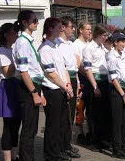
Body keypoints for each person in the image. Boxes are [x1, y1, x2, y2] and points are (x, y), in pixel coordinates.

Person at [38, 17, 74, 161]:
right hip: (52, 89)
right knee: (53, 124)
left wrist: (68, 84)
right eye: (59, 27)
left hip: (60, 88)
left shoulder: (55, 46)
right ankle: (51, 154)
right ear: (51, 29)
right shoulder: (45, 48)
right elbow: (50, 73)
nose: (62, 29)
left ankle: (59, 149)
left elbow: (63, 68)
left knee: (61, 123)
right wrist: (64, 86)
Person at [12, 10, 45, 161]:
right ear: (25, 23)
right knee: (29, 128)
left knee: (32, 128)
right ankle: (26, 158)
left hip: (34, 86)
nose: (37, 23)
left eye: (37, 20)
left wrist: (40, 92)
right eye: (34, 20)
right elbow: (24, 71)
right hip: (28, 88)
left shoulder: (28, 41)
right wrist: (34, 92)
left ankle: (27, 157)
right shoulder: (23, 42)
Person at [0, 23, 21, 161]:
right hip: (8, 86)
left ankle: (15, 155)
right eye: (13, 33)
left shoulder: (13, 49)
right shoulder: (1, 51)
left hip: (17, 85)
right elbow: (7, 72)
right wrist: (17, 57)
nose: (15, 35)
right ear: (5, 34)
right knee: (8, 125)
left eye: (16, 33)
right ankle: (7, 158)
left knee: (17, 125)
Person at [55, 16, 81, 158]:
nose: (73, 29)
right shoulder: (57, 44)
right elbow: (62, 67)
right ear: (63, 27)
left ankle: (67, 144)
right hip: (64, 80)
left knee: (70, 115)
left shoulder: (70, 44)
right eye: (71, 26)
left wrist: (76, 82)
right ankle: (61, 146)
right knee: (64, 116)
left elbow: (74, 66)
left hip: (72, 78)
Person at [83, 24, 111, 151]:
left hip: (105, 81)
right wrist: (95, 87)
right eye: (104, 35)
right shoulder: (89, 48)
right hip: (94, 82)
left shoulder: (103, 48)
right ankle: (94, 141)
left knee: (104, 113)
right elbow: (88, 69)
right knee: (94, 113)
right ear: (98, 35)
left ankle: (102, 139)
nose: (106, 38)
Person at [107, 32, 125, 159]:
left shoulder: (124, 55)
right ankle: (116, 148)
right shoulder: (111, 56)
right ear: (115, 42)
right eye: (121, 41)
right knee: (117, 122)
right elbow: (113, 78)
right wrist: (123, 94)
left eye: (124, 41)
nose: (124, 44)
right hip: (116, 91)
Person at [72, 21, 92, 145]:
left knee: (90, 106)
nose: (90, 31)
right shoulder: (76, 44)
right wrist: (88, 75)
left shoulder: (90, 43)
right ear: (80, 30)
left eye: (90, 29)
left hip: (91, 78)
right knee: (80, 106)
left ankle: (90, 130)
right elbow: (78, 64)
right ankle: (80, 132)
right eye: (88, 29)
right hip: (83, 77)